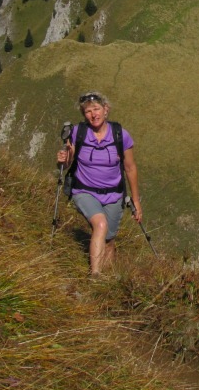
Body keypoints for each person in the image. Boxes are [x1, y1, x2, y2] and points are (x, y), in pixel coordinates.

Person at [57, 91, 142, 275]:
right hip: (84, 191)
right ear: (83, 114)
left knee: (109, 240)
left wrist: (136, 201)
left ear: (106, 110)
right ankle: (95, 277)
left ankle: (108, 280)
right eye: (88, 111)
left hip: (113, 195)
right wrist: (63, 159)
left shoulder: (120, 135)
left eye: (96, 109)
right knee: (100, 225)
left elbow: (130, 168)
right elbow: (67, 162)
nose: (93, 114)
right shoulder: (78, 133)